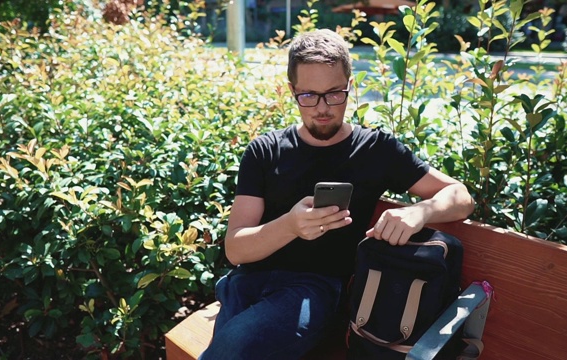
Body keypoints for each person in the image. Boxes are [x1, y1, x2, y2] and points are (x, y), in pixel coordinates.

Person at [199, 29, 474, 360]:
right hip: (246, 283)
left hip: (315, 289)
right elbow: (235, 248)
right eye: (308, 96)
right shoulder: (265, 151)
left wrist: (421, 212)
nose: (322, 108)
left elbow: (461, 197)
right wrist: (290, 226)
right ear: (292, 92)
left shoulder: (375, 150)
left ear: (349, 87)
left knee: (232, 347)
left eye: (334, 94)